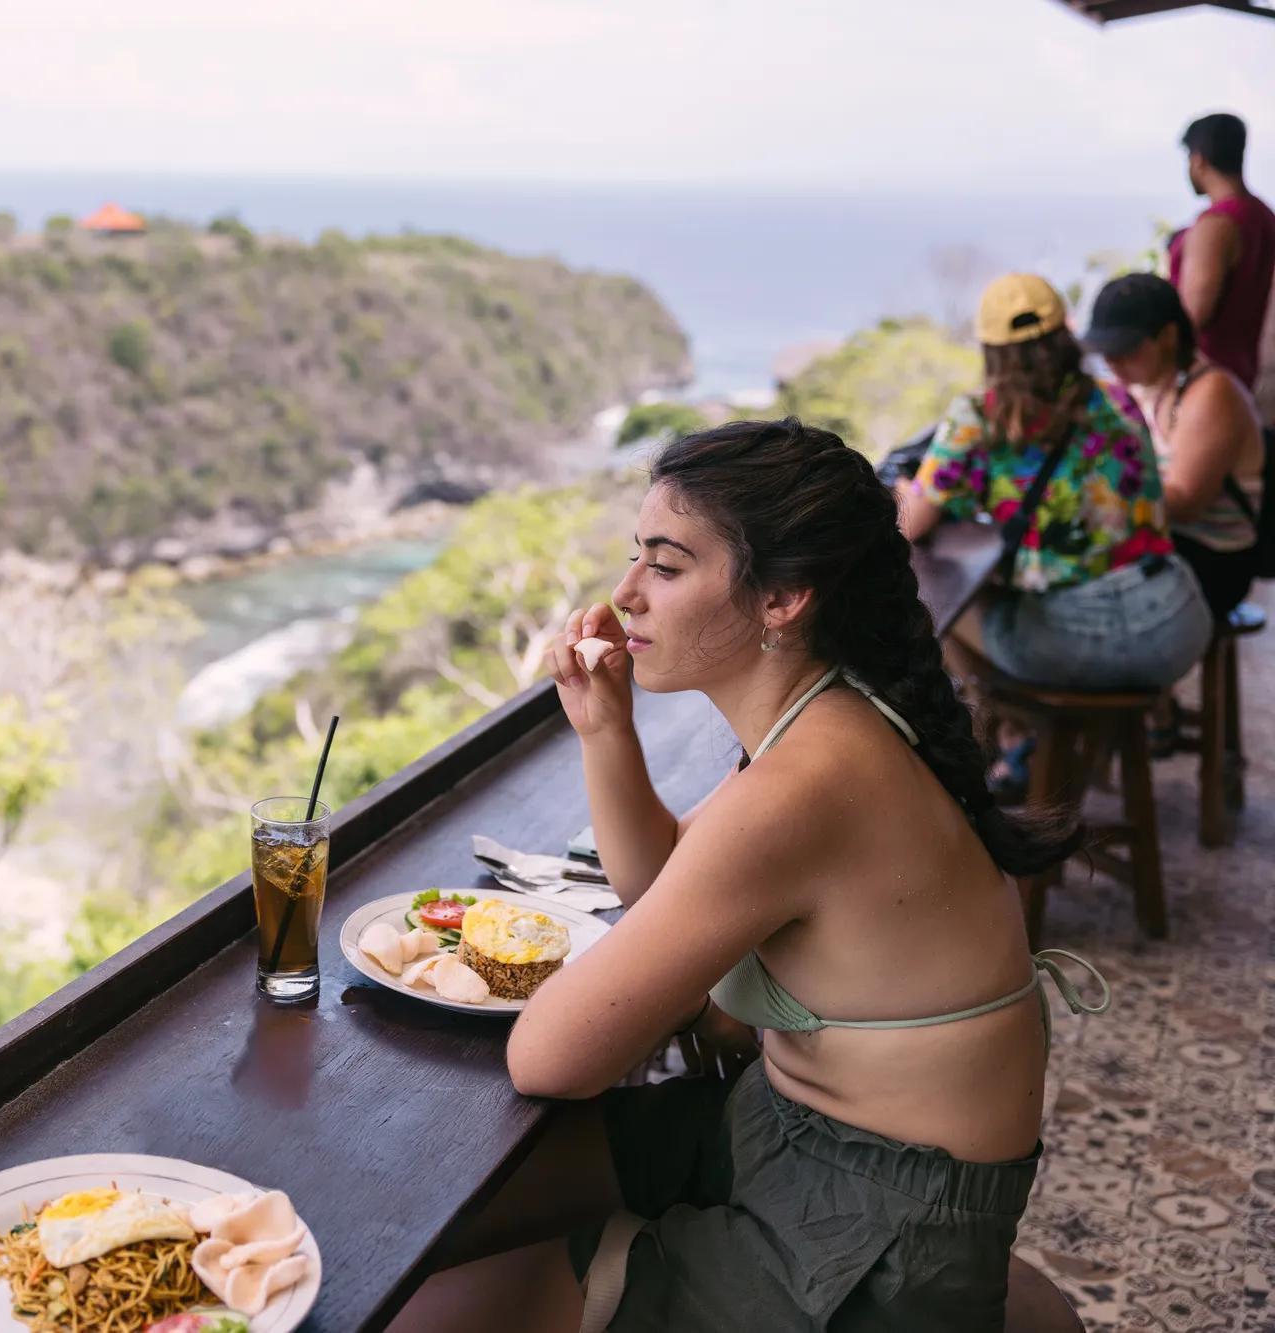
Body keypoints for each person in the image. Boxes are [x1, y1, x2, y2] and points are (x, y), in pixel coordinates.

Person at [385, 418, 1107, 1333]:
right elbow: (666, 889)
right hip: (786, 1130)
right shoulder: (824, 717)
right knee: (452, 1216)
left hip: (876, 1232)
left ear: (783, 599)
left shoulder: (807, 783)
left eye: (667, 564)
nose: (625, 594)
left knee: (427, 1311)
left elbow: (549, 1056)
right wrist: (608, 733)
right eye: (635, 557)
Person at [899, 274, 1211, 716]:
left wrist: (904, 490)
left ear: (990, 349)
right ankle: (1037, 738)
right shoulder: (1118, 401)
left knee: (936, 606)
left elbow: (910, 524)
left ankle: (999, 730)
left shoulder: (977, 416)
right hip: (1175, 629)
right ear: (1065, 332)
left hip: (1069, 646)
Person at [1084, 272, 1264, 620]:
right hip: (1170, 546)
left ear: (1167, 336)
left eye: (1126, 350)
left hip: (1215, 560)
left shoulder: (1211, 392)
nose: (1113, 363)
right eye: (1107, 353)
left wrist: (1089, 494)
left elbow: (1184, 502)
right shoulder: (1142, 386)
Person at [1170, 113, 1275, 388]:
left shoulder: (1216, 225)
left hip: (1211, 381)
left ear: (1198, 159)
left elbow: (1191, 316)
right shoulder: (1264, 216)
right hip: (1249, 375)